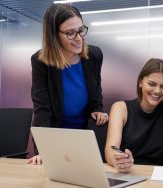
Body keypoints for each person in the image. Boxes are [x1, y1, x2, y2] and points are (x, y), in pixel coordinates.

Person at [27, 4, 108, 165]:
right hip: (56, 134)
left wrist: (97, 107)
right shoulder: (41, 62)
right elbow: (42, 108)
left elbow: (96, 85)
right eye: (70, 33)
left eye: (81, 30)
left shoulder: (94, 55)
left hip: (85, 134)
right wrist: (44, 151)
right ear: (54, 36)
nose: (79, 38)